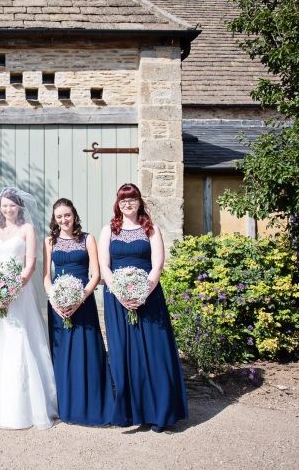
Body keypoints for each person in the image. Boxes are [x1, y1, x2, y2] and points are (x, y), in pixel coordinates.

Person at [98, 183, 187, 431]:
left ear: (139, 202)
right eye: (123, 200)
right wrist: (121, 294)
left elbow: (157, 264)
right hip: (117, 300)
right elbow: (105, 266)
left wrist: (141, 293)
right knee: (123, 356)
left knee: (155, 354)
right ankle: (132, 413)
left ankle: (160, 412)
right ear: (118, 203)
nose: (127, 204)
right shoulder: (109, 230)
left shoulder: (151, 228)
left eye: (132, 199)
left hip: (149, 300)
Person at [0, 187, 58, 429]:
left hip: (19, 293)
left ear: (19, 208)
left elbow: (30, 264)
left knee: (20, 341)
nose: (8, 209)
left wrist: (11, 290)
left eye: (12, 205)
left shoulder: (27, 229)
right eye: (4, 205)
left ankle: (24, 406)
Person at [42, 198, 113, 426]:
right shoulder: (49, 241)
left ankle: (92, 404)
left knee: (87, 352)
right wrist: (54, 300)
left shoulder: (87, 239)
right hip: (58, 305)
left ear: (74, 216)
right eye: (59, 216)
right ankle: (67, 406)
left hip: (83, 303)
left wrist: (80, 298)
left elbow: (95, 275)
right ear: (55, 219)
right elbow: (46, 277)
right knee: (63, 356)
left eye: (67, 215)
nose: (64, 220)